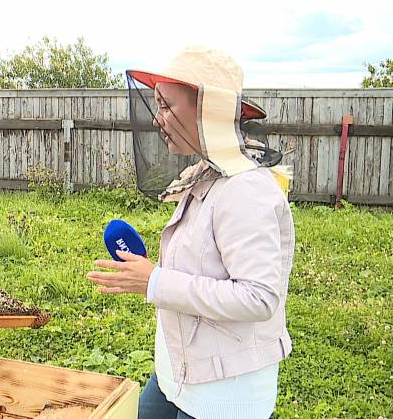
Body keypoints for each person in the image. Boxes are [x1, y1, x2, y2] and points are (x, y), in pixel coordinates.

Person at [87, 46, 294, 419]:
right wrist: (152, 273)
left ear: (205, 110)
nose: (157, 118)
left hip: (225, 389)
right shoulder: (207, 172)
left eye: (167, 105)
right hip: (180, 370)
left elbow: (259, 298)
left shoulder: (246, 188)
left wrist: (155, 281)